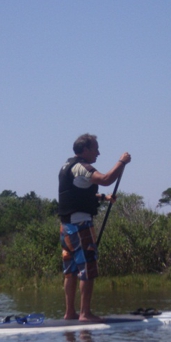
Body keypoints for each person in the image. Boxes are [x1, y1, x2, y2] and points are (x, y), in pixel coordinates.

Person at [58, 133, 131, 321]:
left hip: (66, 228)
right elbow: (106, 179)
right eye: (96, 148)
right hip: (80, 227)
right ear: (86, 150)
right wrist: (121, 162)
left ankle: (69, 313)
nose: (98, 153)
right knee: (87, 268)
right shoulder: (82, 167)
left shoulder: (67, 166)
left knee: (71, 271)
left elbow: (76, 193)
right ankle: (85, 314)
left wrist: (103, 198)